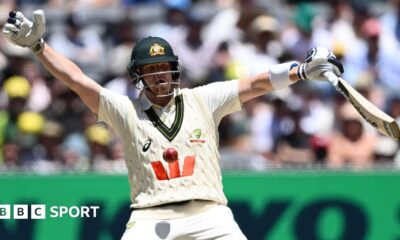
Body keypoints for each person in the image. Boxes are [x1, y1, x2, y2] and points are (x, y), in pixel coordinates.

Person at [2, 10, 343, 240]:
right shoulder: (124, 110)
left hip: (210, 214)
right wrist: (38, 46)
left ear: (175, 68)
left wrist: (300, 71)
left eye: (165, 67)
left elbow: (256, 84)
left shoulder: (202, 99)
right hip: (149, 218)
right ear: (139, 76)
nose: (160, 74)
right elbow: (78, 81)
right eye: (152, 69)